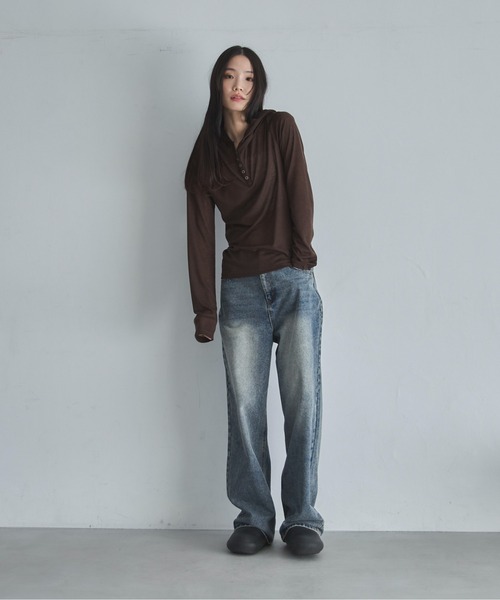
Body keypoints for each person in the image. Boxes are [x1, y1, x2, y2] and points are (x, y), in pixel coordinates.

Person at [185, 46, 324, 556]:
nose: (239, 85)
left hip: (292, 280)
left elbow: (300, 191)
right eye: (230, 76)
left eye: (248, 77)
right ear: (218, 84)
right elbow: (199, 236)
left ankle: (302, 520)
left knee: (303, 401)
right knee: (245, 409)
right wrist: (205, 310)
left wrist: (301, 260)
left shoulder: (280, 128)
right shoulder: (205, 155)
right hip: (239, 289)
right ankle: (254, 519)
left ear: (257, 84)